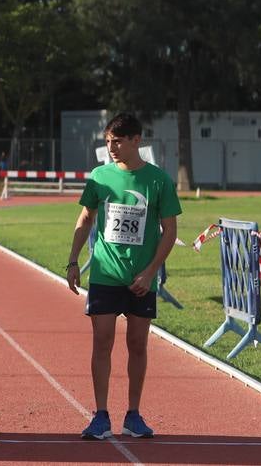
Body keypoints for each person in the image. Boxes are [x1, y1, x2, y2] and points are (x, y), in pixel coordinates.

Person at [66, 112, 181, 441]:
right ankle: (100, 415)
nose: (111, 147)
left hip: (141, 279)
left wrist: (150, 272)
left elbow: (170, 231)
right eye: (107, 141)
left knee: (137, 344)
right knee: (102, 342)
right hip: (105, 274)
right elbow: (85, 218)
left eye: (117, 141)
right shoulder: (100, 176)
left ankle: (133, 414)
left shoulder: (158, 180)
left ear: (136, 140)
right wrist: (73, 261)